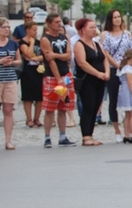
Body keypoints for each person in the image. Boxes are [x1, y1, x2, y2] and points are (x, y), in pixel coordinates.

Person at [39, 13, 77, 148]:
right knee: (50, 108)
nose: (59, 24)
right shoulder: (45, 39)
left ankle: (63, 136)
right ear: (49, 24)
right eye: (56, 22)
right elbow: (51, 61)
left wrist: (55, 54)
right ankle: (47, 137)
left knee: (64, 107)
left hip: (66, 75)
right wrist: (58, 79)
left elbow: (68, 55)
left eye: (60, 21)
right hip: (52, 77)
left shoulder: (64, 36)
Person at [100, 9, 132, 144]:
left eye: (119, 17)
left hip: (127, 70)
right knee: (114, 100)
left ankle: (130, 130)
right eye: (114, 17)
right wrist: (117, 65)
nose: (117, 19)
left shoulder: (127, 34)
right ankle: (117, 130)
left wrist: (129, 64)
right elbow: (106, 53)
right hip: (114, 69)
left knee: (129, 98)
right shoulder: (106, 35)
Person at [73, 18, 110, 146]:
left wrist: (106, 72)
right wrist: (97, 73)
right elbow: (82, 63)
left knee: (95, 107)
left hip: (100, 80)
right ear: (83, 30)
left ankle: (91, 134)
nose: (94, 30)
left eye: (95, 27)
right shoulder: (79, 44)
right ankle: (86, 136)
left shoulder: (96, 43)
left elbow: (104, 58)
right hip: (87, 80)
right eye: (91, 28)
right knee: (88, 107)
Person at [0, 18, 22, 150]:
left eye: (8, 27)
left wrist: (12, 62)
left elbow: (19, 61)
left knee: (8, 111)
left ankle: (8, 140)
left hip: (10, 79)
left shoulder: (13, 44)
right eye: (4, 27)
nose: (7, 29)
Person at [17, 20, 43, 129]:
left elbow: (43, 55)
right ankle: (29, 119)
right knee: (28, 96)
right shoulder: (22, 42)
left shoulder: (39, 41)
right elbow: (27, 53)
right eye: (33, 30)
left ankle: (37, 118)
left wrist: (35, 58)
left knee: (39, 95)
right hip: (27, 72)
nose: (36, 32)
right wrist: (31, 43)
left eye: (36, 30)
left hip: (38, 70)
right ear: (27, 30)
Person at [117, 49, 132, 143]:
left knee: (127, 114)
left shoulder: (123, 68)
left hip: (124, 91)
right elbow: (130, 83)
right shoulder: (128, 69)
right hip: (129, 93)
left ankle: (127, 135)